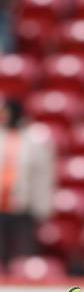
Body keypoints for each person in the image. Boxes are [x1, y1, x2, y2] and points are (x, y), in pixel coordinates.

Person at [0, 99, 55, 267]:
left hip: (24, 207)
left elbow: (43, 176)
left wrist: (43, 207)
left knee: (22, 255)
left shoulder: (35, 139)